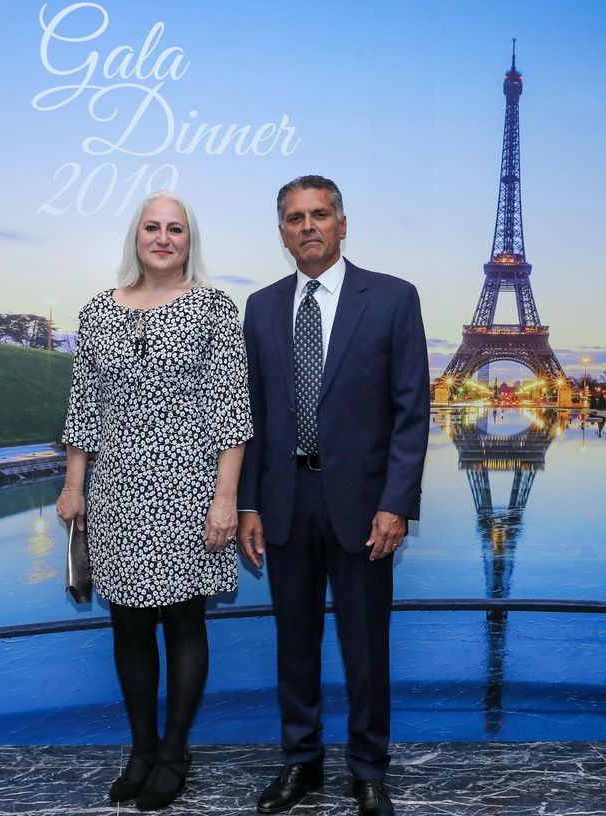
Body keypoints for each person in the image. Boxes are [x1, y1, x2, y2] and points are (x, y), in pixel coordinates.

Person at [238, 175, 429, 816]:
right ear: (282, 232)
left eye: (320, 214)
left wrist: (397, 503)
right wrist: (249, 505)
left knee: (365, 647)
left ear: (342, 224)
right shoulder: (261, 307)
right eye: (295, 218)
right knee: (294, 644)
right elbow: (252, 417)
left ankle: (368, 770)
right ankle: (302, 764)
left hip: (365, 506)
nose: (308, 226)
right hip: (286, 499)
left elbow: (412, 412)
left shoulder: (394, 298)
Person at [57, 190, 252, 811]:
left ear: (189, 240)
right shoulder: (97, 310)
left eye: (175, 229)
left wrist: (225, 499)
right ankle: (141, 749)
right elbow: (83, 406)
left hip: (189, 491)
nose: (163, 238)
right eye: (152, 227)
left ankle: (173, 753)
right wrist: (73, 485)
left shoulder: (214, 309)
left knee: (184, 623)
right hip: (117, 493)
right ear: (135, 237)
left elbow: (232, 414)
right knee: (130, 626)